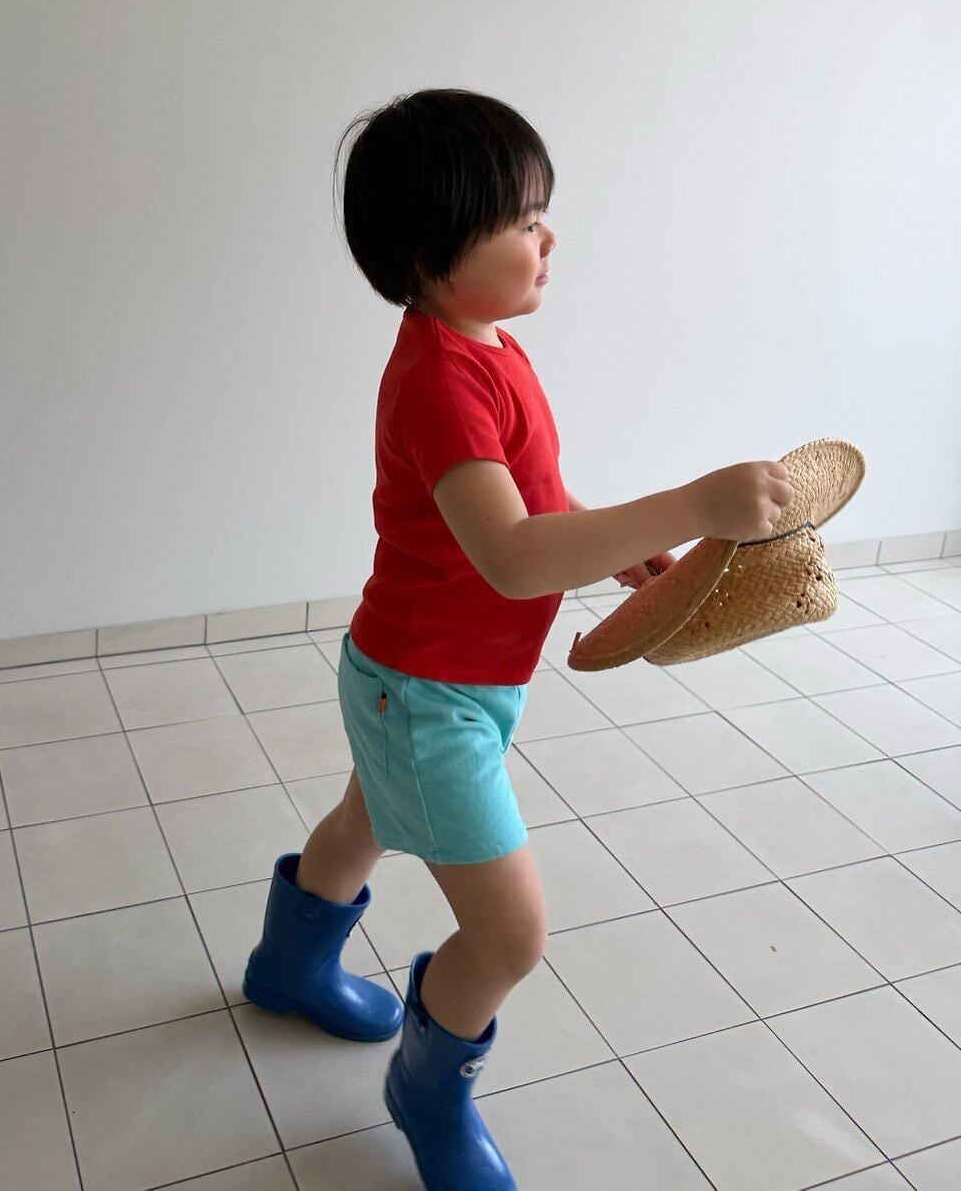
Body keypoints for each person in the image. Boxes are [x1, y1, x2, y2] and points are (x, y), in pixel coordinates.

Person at [242, 88, 793, 1189]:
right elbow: (508, 555)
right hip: (426, 691)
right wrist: (693, 503)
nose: (549, 239)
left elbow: (530, 500)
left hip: (421, 673)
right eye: (523, 221)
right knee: (508, 936)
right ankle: (426, 1090)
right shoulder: (439, 383)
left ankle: (286, 968)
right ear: (432, 255)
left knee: (363, 820)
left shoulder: (484, 346)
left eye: (544, 214)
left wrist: (612, 545)